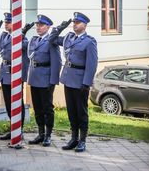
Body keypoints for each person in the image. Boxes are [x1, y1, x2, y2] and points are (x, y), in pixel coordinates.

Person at [49, 12, 98, 152]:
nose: (75, 24)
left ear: (85, 25)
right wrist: (59, 28)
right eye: (74, 22)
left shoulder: (89, 41)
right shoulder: (68, 38)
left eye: (78, 22)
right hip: (68, 78)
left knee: (81, 112)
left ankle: (82, 140)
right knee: (71, 111)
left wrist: (86, 82)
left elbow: (92, 64)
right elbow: (51, 40)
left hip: (80, 81)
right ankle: (73, 138)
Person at [0, 12, 34, 140]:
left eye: (8, 22)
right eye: (5, 22)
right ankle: (13, 129)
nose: (6, 24)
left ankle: (19, 130)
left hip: (15, 74)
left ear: (15, 24)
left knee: (17, 103)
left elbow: (23, 46)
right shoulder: (3, 36)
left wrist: (21, 34)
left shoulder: (23, 39)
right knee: (8, 104)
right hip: (5, 73)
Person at [27, 14, 62, 147]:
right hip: (34, 77)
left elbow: (57, 62)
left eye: (41, 25)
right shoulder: (34, 40)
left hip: (46, 79)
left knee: (47, 109)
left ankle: (48, 135)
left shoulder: (51, 41)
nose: (38, 27)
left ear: (48, 27)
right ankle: (40, 134)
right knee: (37, 108)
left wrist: (52, 81)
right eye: (37, 25)